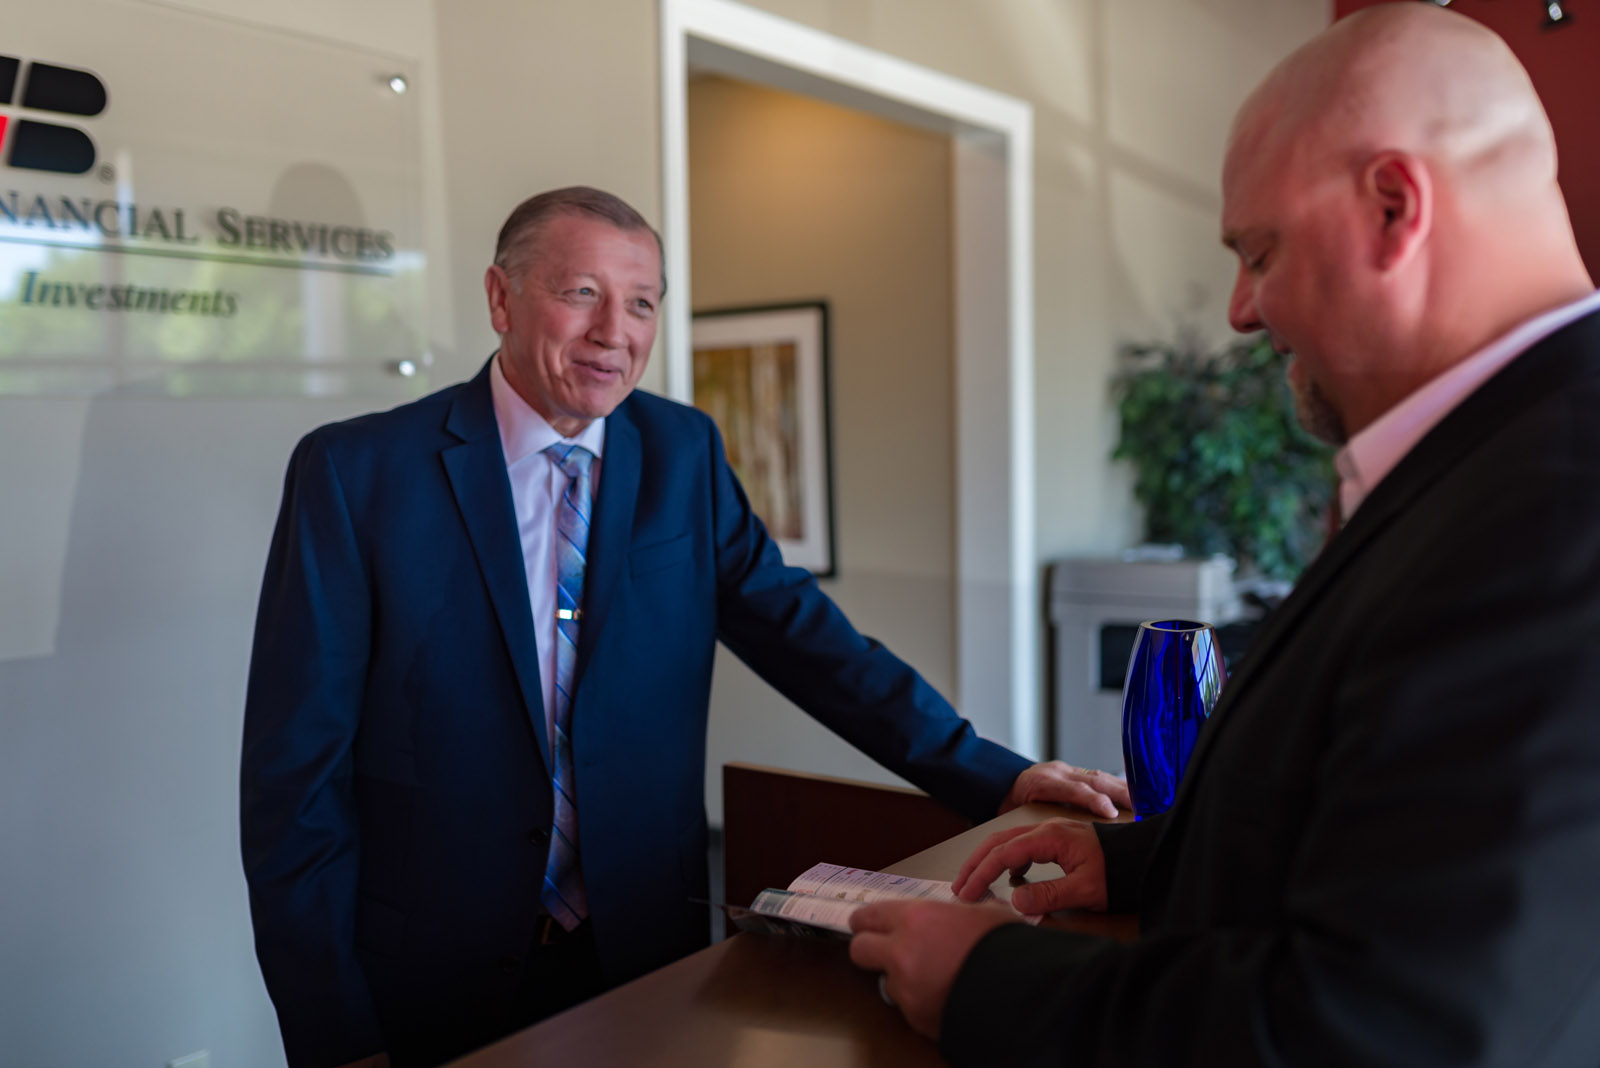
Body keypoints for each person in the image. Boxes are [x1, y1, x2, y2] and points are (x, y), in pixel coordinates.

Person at [848, 6, 1600, 1066]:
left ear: (1394, 208)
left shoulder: (1555, 507)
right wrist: (1143, 860)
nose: (1241, 311)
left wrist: (989, 979)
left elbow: (1389, 1027)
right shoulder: (1491, 458)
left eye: (1258, 251)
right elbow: (1388, 823)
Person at [240, 185, 1130, 1068]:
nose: (614, 332)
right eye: (581, 293)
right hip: (428, 983)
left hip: (641, 953)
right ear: (500, 299)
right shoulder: (356, 474)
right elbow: (294, 783)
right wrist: (336, 1038)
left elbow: (811, 643)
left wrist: (996, 775)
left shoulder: (683, 453)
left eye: (642, 304)